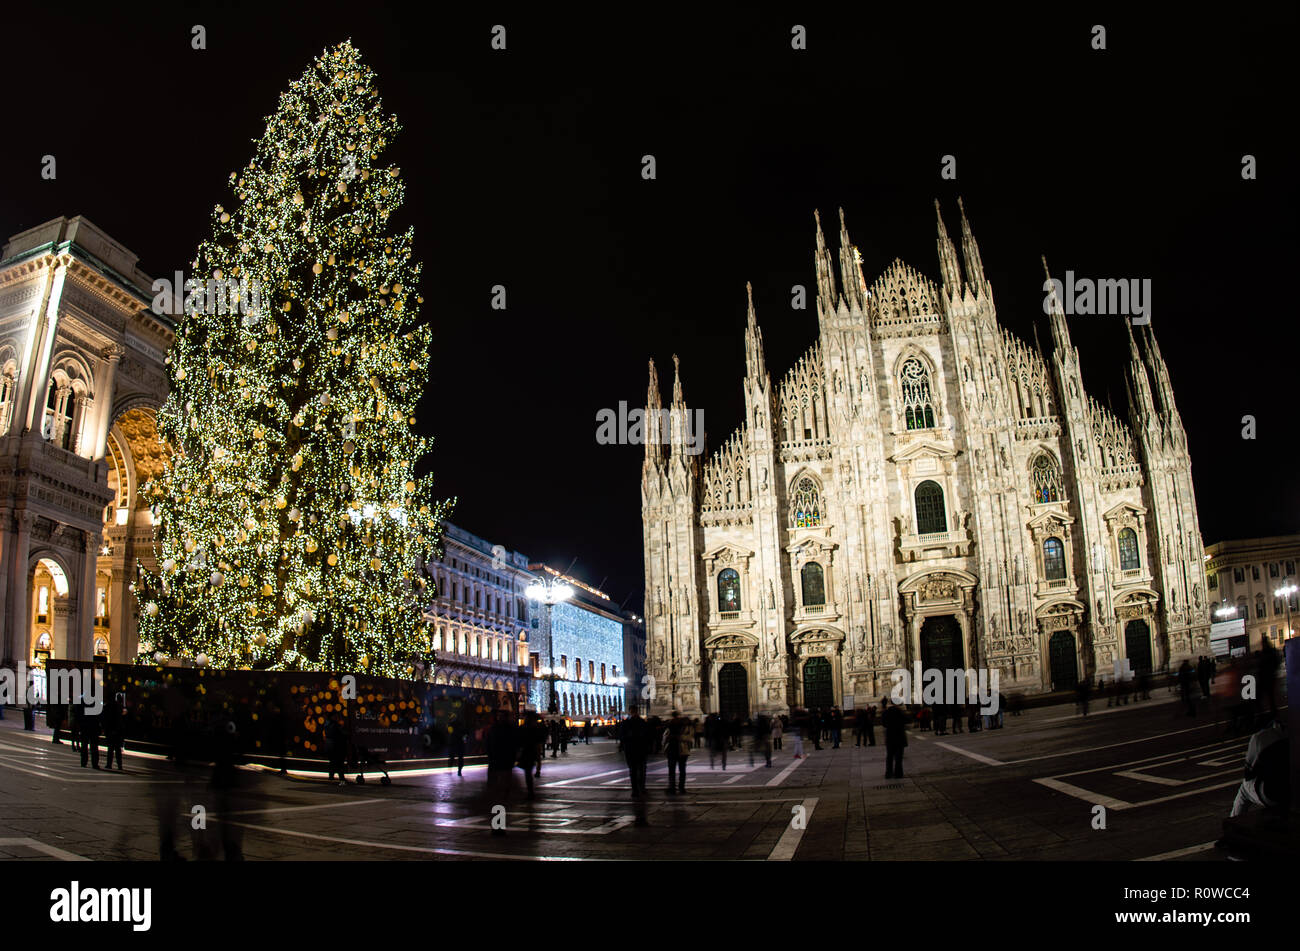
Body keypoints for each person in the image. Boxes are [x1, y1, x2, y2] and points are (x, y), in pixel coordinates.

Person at [1227, 721, 1289, 817]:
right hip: (1293, 788)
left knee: (1244, 790)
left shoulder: (1260, 737)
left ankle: (1234, 821)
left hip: (1275, 794)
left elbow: (1248, 774)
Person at [485, 711, 518, 835]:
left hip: (494, 766)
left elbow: (488, 747)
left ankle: (496, 826)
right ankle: (499, 826)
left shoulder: (493, 730)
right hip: (504, 766)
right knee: (502, 797)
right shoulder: (509, 730)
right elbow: (514, 747)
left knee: (496, 797)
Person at [622, 706, 652, 811]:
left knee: (633, 771)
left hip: (630, 750)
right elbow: (648, 736)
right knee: (642, 769)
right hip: (641, 750)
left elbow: (623, 737)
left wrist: (624, 747)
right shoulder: (642, 723)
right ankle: (642, 788)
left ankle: (635, 790)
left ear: (630, 712)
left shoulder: (626, 723)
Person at [518, 712, 543, 800]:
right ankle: (530, 791)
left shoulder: (525, 728)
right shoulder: (535, 728)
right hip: (530, 751)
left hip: (528, 751)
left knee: (527, 772)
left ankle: (530, 791)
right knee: (528, 771)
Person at [665, 710, 691, 794]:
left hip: (681, 750)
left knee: (680, 770)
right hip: (673, 749)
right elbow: (665, 737)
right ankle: (673, 787)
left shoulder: (684, 726)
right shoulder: (670, 725)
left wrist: (678, 737)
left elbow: (689, 738)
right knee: (673, 770)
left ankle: (680, 787)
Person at [881, 697, 907, 779]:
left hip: (890, 737)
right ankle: (898, 773)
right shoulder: (900, 711)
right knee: (898, 757)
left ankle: (888, 773)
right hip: (899, 736)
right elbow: (907, 720)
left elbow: (883, 723)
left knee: (889, 756)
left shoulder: (886, 712)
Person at [78, 692, 102, 769]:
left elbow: (78, 714)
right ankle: (94, 763)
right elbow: (99, 715)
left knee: (84, 745)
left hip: (85, 726)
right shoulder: (96, 701)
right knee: (94, 746)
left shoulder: (81, 702)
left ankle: (83, 762)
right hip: (93, 726)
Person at [325, 713, 348, 785]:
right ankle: (341, 778)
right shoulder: (336, 726)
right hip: (337, 746)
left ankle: (331, 776)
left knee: (333, 761)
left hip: (331, 746)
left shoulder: (327, 725)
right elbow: (342, 735)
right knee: (339, 763)